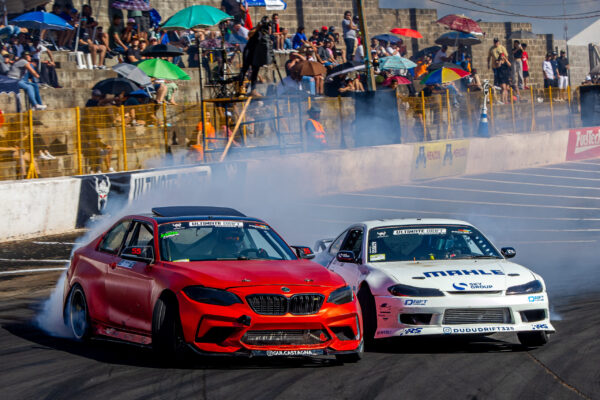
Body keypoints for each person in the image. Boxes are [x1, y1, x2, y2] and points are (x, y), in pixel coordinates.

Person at [239, 16, 274, 97]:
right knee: (245, 69)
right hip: (249, 50)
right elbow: (249, 34)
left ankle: (253, 90)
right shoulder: (256, 29)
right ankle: (240, 88)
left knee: (255, 70)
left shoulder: (265, 33)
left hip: (256, 53)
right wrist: (258, 27)